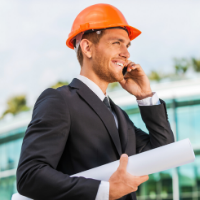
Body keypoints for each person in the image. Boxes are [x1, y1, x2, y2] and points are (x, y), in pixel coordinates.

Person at [17, 3, 174, 200]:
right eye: (117, 43)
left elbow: (164, 155)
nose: (126, 53)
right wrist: (104, 191)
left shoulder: (120, 116)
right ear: (88, 48)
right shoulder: (59, 101)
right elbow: (30, 175)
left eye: (127, 45)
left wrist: (145, 97)